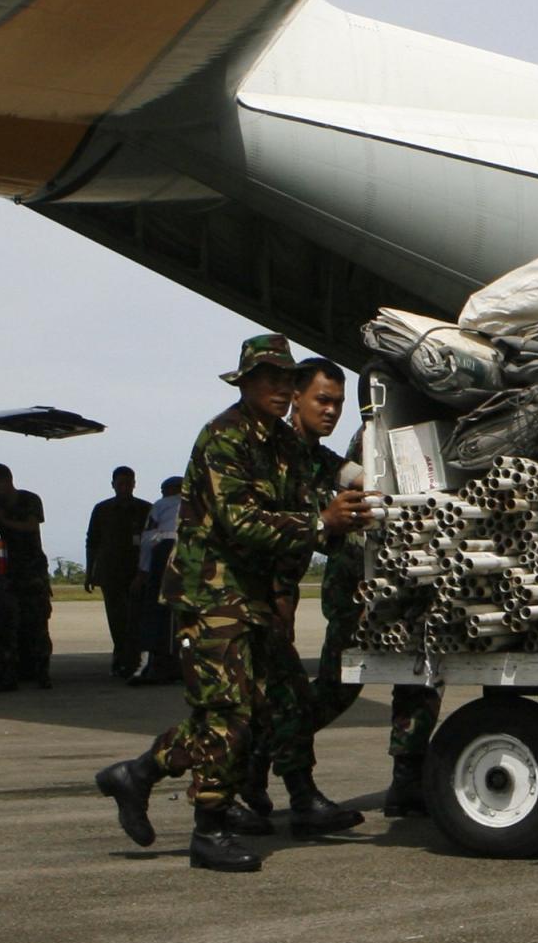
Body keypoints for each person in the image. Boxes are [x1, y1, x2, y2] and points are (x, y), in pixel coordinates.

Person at [93, 335, 373, 873]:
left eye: (285, 379)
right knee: (227, 714)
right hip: (214, 594)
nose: (278, 387)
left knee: (286, 700)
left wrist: (365, 485)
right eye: (268, 378)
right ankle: (210, 828)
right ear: (245, 383)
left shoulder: (282, 444)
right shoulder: (225, 437)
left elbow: (325, 472)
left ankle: (141, 774)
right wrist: (321, 523)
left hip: (253, 596)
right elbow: (239, 520)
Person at [290, 358, 440, 818]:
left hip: (397, 584)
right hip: (359, 585)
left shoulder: (397, 434)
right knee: (338, 688)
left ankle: (407, 779)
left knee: (418, 682)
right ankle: (270, 756)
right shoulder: (374, 440)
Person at [0, 463, 52, 692]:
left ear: (7, 479)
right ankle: (9, 674)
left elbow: (31, 526)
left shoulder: (29, 500)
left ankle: (42, 672)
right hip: (9, 572)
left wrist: (4, 522)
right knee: (8, 626)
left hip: (32, 570)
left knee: (38, 624)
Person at [85, 466, 153, 677]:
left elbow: (152, 543)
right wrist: (90, 573)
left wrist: (144, 574)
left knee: (136, 619)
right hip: (110, 573)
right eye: (120, 483)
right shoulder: (102, 510)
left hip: (136, 572)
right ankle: (121, 657)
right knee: (116, 620)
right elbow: (92, 542)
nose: (124, 487)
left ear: (134, 484)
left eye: (128, 483)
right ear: (113, 484)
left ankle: (132, 659)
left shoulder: (145, 509)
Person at [127, 477, 184, 685]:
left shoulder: (161, 505)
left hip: (164, 555)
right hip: (192, 558)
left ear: (168, 490)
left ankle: (158, 663)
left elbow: (148, 539)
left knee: (157, 611)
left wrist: (142, 572)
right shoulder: (198, 503)